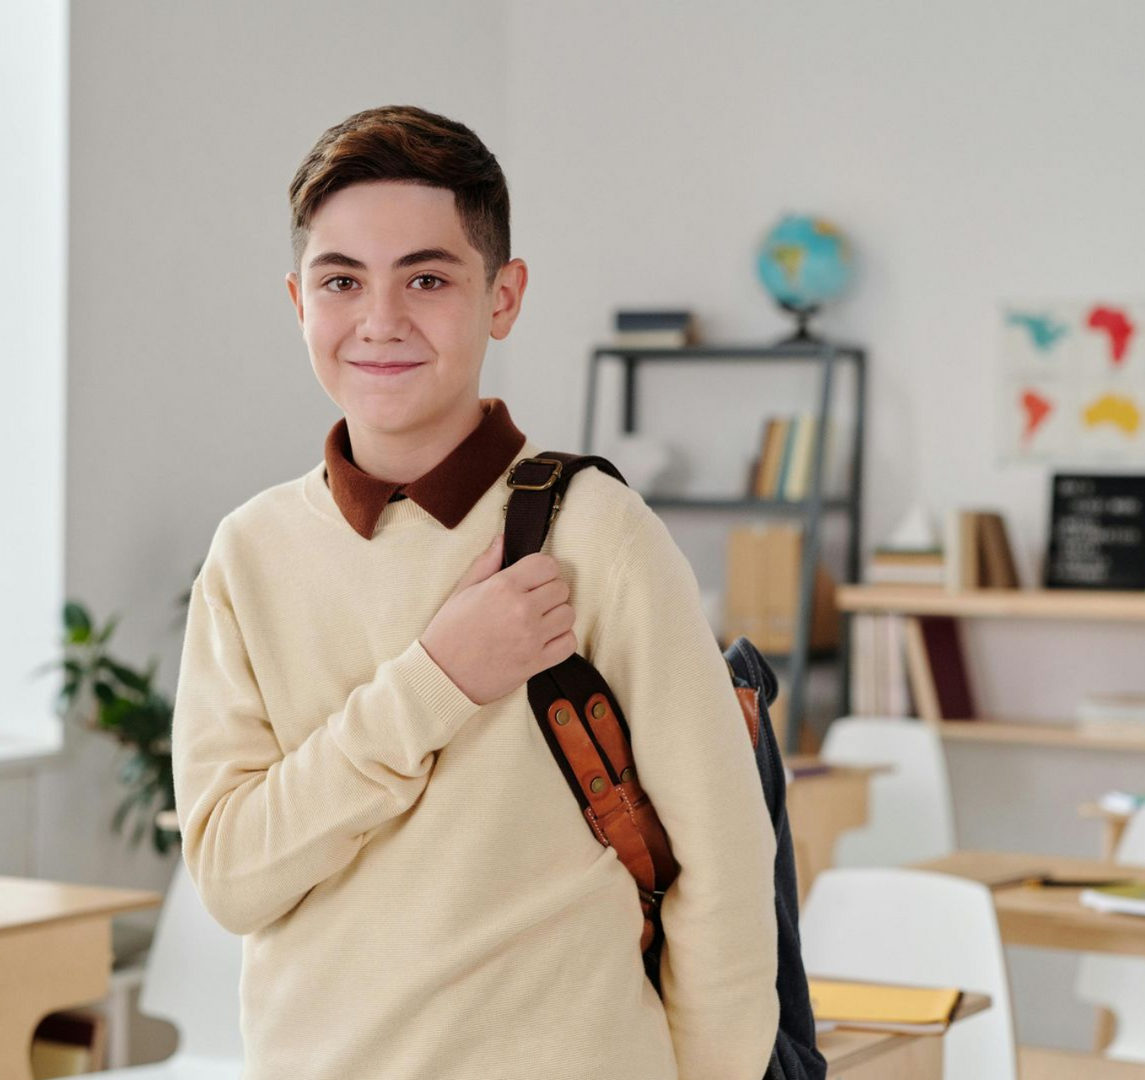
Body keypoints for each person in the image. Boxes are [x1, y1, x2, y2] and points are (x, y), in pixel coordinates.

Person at [171, 103, 777, 1080]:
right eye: (342, 280)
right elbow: (235, 878)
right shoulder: (248, 554)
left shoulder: (600, 536)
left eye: (427, 277)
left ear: (503, 297)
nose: (380, 321)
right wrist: (439, 678)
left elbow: (724, 867)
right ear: (298, 302)